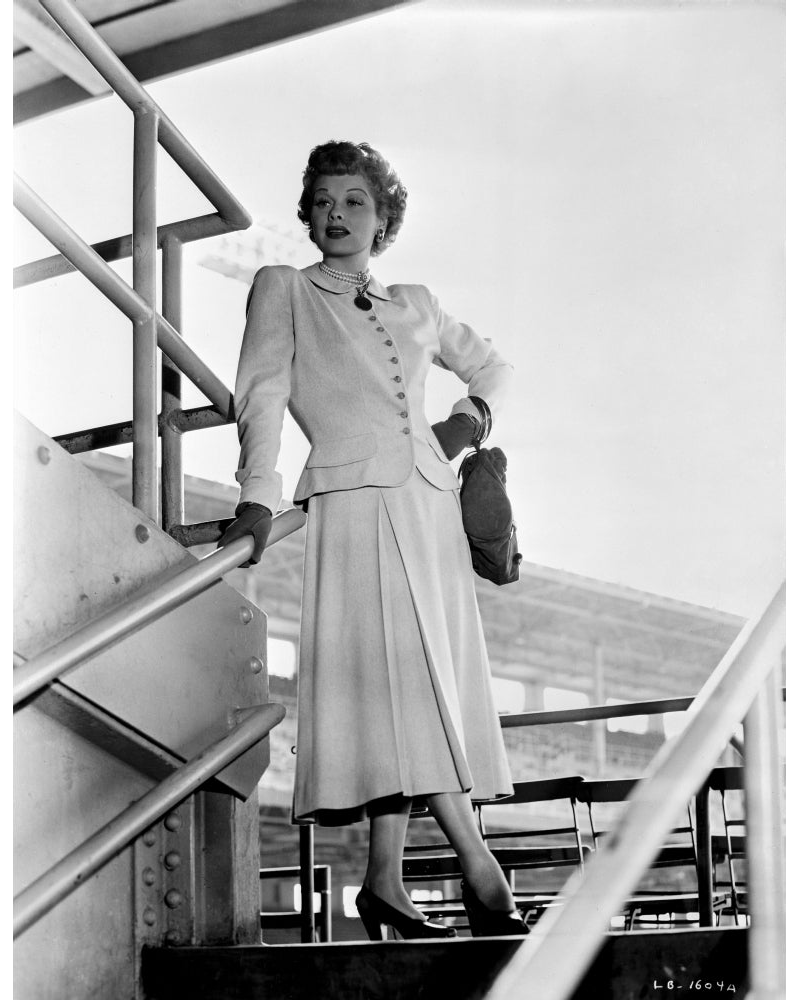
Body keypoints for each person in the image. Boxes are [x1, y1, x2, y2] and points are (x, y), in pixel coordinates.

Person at [220, 140, 527, 939]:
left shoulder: (417, 301)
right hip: (353, 502)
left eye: (355, 201)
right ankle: (481, 873)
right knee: (404, 681)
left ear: (383, 218)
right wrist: (256, 496)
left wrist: (468, 419)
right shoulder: (282, 288)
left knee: (417, 680)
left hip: (428, 505)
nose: (337, 213)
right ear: (307, 214)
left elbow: (493, 368)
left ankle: (385, 881)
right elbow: (260, 394)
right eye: (323, 200)